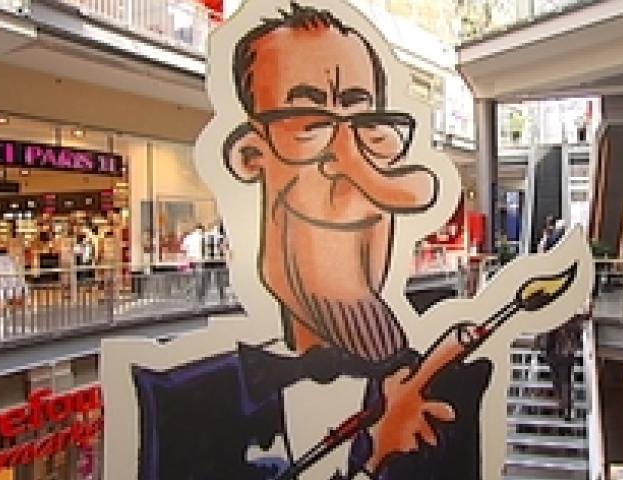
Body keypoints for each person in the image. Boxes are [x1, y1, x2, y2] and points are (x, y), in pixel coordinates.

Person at [129, 5, 495, 480]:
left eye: (367, 127)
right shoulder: (183, 401)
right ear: (251, 155)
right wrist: (371, 463)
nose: (349, 166)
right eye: (308, 123)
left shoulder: (447, 392)